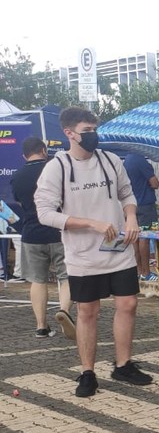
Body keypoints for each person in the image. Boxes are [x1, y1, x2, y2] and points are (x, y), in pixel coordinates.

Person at [35, 107, 154, 397]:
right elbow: (45, 213)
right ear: (69, 133)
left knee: (128, 305)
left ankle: (123, 364)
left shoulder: (111, 161)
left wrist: (130, 216)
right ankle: (87, 372)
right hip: (83, 256)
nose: (93, 136)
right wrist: (88, 222)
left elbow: (127, 194)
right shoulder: (57, 167)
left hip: (118, 249)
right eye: (87, 131)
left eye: (94, 129)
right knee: (88, 312)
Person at [10, 137, 75, 340]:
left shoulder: (17, 177)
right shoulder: (55, 169)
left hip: (31, 234)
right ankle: (64, 311)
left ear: (24, 155)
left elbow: (20, 203)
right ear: (44, 150)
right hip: (59, 231)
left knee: (37, 281)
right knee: (67, 277)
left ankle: (41, 327)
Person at [122, 152, 159, 280]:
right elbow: (155, 183)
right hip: (145, 205)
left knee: (135, 238)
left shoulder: (126, 160)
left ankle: (138, 271)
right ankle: (146, 272)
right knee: (145, 236)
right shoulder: (140, 160)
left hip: (131, 205)